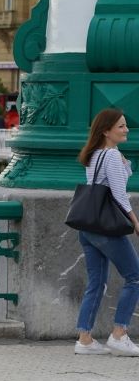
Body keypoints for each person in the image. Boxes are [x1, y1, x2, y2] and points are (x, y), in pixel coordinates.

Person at [74, 109, 139, 356]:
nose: (126, 130)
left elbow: (112, 181)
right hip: (106, 229)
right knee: (135, 277)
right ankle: (119, 334)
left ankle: (85, 339)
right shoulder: (110, 156)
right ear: (106, 131)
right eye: (121, 126)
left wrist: (122, 160)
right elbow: (119, 194)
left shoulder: (95, 154)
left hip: (88, 228)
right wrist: (135, 221)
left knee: (96, 282)